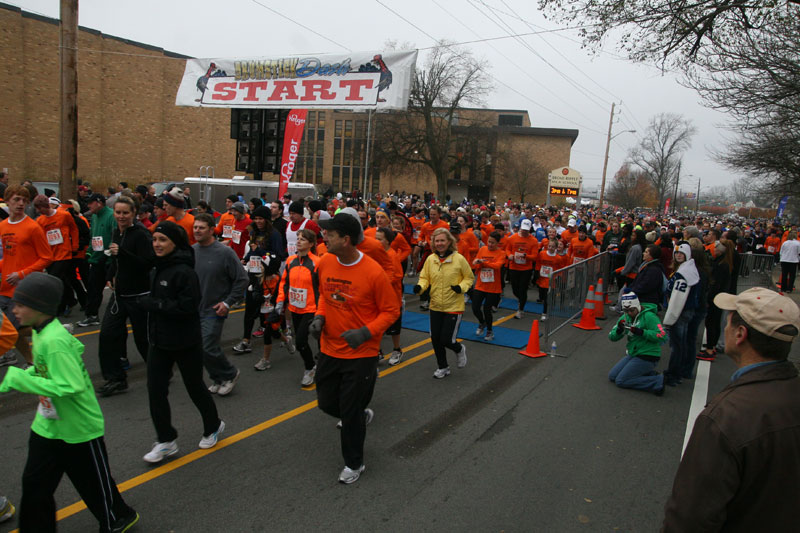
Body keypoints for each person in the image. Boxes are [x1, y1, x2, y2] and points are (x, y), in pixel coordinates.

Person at [0, 273, 139, 532]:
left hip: (78, 429)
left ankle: (119, 519)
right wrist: (23, 375)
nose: (13, 310)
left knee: (95, 487)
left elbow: (70, 386)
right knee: (34, 486)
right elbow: (45, 370)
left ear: (40, 307)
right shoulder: (40, 333)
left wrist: (21, 380)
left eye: (20, 304)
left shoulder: (54, 341)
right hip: (48, 426)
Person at [662, 288, 800, 531]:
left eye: (729, 320)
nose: (725, 327)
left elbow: (690, 518)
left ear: (740, 334)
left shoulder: (725, 417)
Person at [309, 212, 400, 484]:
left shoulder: (372, 272)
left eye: (329, 234)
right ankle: (358, 415)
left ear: (345, 240)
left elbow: (391, 310)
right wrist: (319, 316)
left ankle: (354, 463)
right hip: (329, 348)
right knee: (326, 403)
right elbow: (325, 295)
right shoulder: (325, 262)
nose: (323, 237)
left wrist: (366, 332)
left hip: (361, 354)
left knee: (349, 415)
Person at [136, 221, 224, 463]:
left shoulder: (184, 271)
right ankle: (166, 440)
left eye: (162, 240)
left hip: (185, 341)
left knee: (195, 387)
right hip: (159, 341)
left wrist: (154, 304)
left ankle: (213, 425)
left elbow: (187, 307)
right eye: (154, 240)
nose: (157, 244)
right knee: (155, 391)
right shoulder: (156, 268)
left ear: (175, 243)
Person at [96, 195, 154, 397]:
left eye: (125, 213)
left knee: (143, 340)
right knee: (107, 335)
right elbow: (115, 260)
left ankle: (158, 369)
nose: (121, 216)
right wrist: (110, 275)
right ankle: (115, 379)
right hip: (120, 295)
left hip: (139, 296)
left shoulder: (141, 234)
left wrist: (122, 254)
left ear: (134, 214)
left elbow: (147, 263)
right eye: (118, 212)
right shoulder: (115, 232)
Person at [193, 213, 247, 396]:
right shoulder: (192, 251)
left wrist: (227, 302)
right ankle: (218, 378)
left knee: (207, 345)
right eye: (195, 227)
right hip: (195, 309)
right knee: (200, 348)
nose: (197, 231)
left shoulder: (225, 253)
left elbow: (241, 279)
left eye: (201, 227)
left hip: (214, 309)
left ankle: (230, 374)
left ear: (211, 230)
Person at [0, 185, 54, 366]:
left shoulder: (33, 227)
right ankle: (32, 362)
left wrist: (21, 274)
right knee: (8, 331)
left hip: (24, 287)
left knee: (10, 330)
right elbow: (9, 256)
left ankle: (50, 328)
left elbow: (47, 257)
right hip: (5, 287)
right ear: (7, 201)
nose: (21, 203)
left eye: (24, 200)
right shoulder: (3, 226)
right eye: (16, 199)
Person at [414, 228, 475, 378]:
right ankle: (443, 367)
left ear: (449, 242)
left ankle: (459, 349)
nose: (440, 243)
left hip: (453, 305)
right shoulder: (430, 259)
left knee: (447, 339)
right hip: (435, 305)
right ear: (433, 243)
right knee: (435, 339)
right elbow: (425, 278)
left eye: (442, 240)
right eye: (437, 241)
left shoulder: (458, 258)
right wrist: (420, 287)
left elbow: (469, 278)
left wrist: (461, 288)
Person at [276, 228, 320, 384]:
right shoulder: (290, 260)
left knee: (301, 341)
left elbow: (322, 287)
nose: (298, 241)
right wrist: (280, 302)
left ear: (311, 244)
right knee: (301, 342)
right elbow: (284, 283)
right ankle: (316, 363)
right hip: (295, 307)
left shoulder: (317, 262)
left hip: (311, 309)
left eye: (302, 239)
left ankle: (310, 368)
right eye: (298, 238)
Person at [607, 292, 667, 395]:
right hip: (633, 353)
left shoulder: (649, 316)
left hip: (648, 354)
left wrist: (643, 332)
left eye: (632, 310)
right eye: (626, 310)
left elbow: (662, 335)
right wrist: (619, 331)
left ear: (638, 306)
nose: (629, 313)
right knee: (612, 376)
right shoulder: (625, 318)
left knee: (621, 381)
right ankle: (647, 373)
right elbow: (612, 337)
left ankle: (657, 381)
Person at [33, 195, 79, 315]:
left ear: (45, 206)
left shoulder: (64, 215)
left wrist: (74, 245)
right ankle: (69, 301)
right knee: (61, 280)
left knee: (54, 279)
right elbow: (39, 239)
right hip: (49, 255)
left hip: (64, 252)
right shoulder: (40, 221)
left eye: (39, 208)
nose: (38, 211)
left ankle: (60, 304)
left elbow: (74, 229)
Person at [661, 244, 700, 387]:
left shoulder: (683, 274)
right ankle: (678, 372)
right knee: (681, 343)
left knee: (677, 345)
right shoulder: (688, 269)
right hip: (686, 311)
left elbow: (678, 299)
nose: (678, 256)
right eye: (676, 253)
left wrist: (669, 319)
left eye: (681, 253)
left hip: (680, 312)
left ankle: (673, 374)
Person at [77, 193, 115, 328]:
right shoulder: (94, 216)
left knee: (117, 289)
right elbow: (93, 235)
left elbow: (114, 237)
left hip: (109, 261)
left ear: (99, 202)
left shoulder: (111, 215)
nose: (88, 206)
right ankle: (92, 315)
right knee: (93, 288)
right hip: (96, 259)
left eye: (90, 203)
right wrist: (89, 253)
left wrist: (108, 255)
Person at [374, 227, 405, 364]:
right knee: (377, 326)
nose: (376, 241)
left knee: (393, 328)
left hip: (392, 298)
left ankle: (397, 350)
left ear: (387, 241)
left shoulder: (392, 255)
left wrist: (380, 281)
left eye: (379, 239)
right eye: (375, 238)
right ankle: (378, 351)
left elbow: (397, 276)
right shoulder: (375, 254)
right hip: (377, 297)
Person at [698, 240, 732, 361]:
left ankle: (710, 349)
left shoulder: (721, 264)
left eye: (716, 248)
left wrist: (709, 298)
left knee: (712, 322)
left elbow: (716, 283)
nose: (714, 250)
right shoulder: (723, 262)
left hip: (715, 297)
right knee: (713, 322)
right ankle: (710, 346)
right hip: (718, 296)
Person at [471, 231, 506, 341]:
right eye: (489, 242)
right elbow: (475, 261)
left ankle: (490, 331)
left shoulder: (501, 253)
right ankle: (482, 322)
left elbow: (497, 266)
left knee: (487, 310)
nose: (490, 244)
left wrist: (483, 262)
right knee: (475, 307)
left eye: (493, 243)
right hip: (481, 284)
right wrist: (477, 262)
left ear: (498, 243)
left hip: (493, 287)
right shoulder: (482, 249)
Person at [505, 219, 539, 318]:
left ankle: (521, 309)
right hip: (514, 267)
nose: (524, 232)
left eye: (527, 230)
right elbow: (507, 249)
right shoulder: (512, 238)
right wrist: (509, 255)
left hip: (526, 269)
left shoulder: (533, 240)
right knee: (515, 289)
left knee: (523, 289)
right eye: (523, 229)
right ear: (520, 228)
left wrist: (526, 256)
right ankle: (521, 300)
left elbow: (534, 256)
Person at [535, 238, 567, 320]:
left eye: (552, 247)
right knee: (541, 295)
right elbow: (538, 262)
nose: (550, 248)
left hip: (551, 281)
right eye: (549, 246)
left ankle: (545, 313)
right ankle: (547, 307)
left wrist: (557, 277)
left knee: (547, 297)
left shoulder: (558, 258)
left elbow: (560, 268)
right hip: (542, 278)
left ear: (556, 248)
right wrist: (537, 272)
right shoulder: (542, 253)